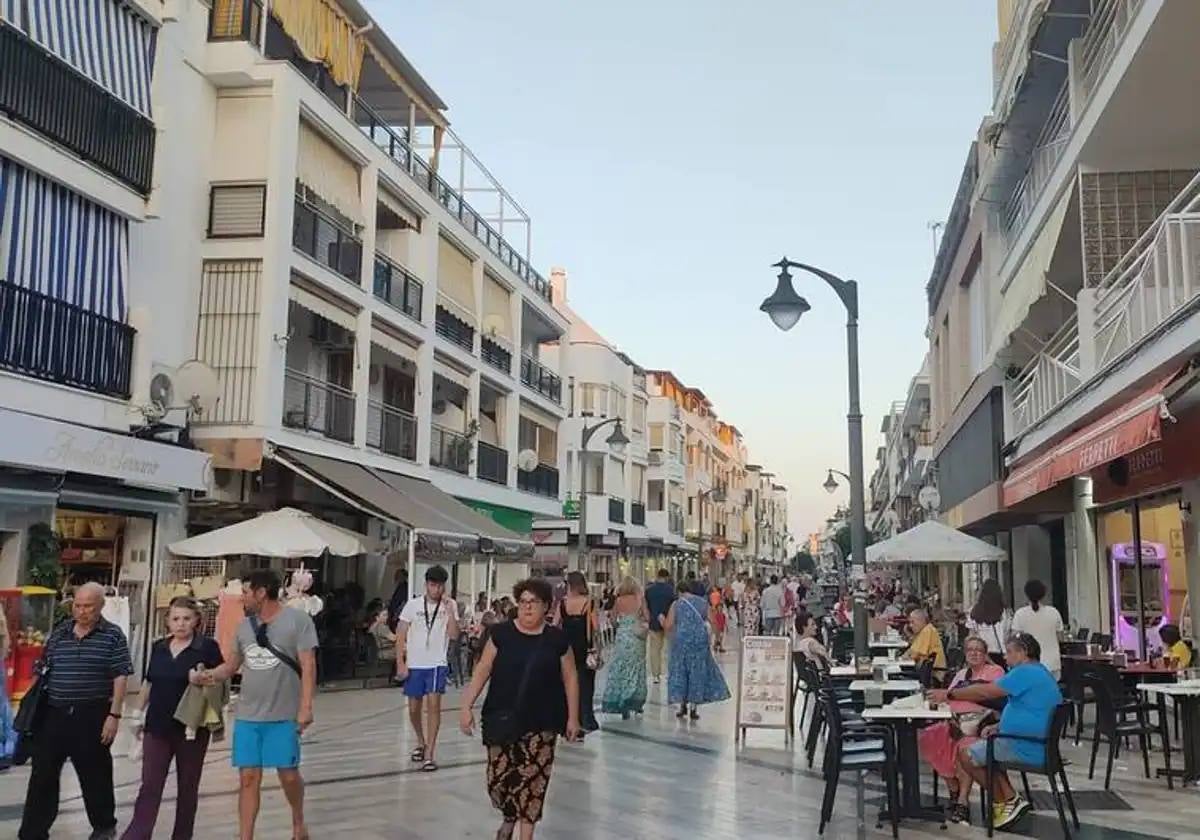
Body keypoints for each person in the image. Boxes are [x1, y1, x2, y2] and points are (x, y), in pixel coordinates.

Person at [191, 569, 317, 840]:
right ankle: (245, 835)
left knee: (288, 775)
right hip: (248, 715)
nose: (243, 599)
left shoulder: (298, 621)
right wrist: (210, 675)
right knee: (248, 777)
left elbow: (308, 665)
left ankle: (298, 819)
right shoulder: (243, 627)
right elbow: (232, 666)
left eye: (246, 593)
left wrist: (306, 706)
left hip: (284, 714)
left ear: (261, 593)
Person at [460, 578, 581, 840]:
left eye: (533, 603)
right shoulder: (501, 634)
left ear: (546, 607)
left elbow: (570, 676)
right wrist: (466, 705)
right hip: (501, 718)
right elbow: (483, 669)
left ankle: (525, 835)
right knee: (497, 780)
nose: (527, 608)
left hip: (543, 723)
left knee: (533, 785)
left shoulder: (557, 640)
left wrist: (573, 718)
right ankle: (508, 815)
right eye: (523, 602)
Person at [19, 582, 132, 840]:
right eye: (77, 605)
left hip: (92, 714)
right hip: (54, 713)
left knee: (95, 774)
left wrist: (113, 716)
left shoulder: (113, 635)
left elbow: (121, 676)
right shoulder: (59, 633)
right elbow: (43, 670)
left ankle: (103, 825)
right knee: (42, 775)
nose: (81, 611)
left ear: (101, 606)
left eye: (88, 606)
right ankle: (33, 832)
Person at [926, 632, 1060, 830]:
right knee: (982, 748)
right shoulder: (1039, 672)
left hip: (1026, 746)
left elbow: (986, 691)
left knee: (967, 755)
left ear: (1023, 653)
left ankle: (1006, 800)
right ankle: (1009, 800)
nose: (1005, 657)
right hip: (1033, 742)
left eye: (1009, 652)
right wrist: (998, 726)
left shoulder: (1024, 672)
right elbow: (1030, 708)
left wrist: (949, 694)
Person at [121, 596, 224, 839]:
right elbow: (149, 682)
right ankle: (137, 834)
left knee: (188, 788)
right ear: (167, 621)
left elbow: (222, 676)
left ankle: (182, 835)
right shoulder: (159, 647)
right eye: (176, 619)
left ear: (196, 620)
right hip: (157, 726)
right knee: (150, 786)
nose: (181, 624)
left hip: (191, 728)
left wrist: (203, 676)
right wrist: (136, 713)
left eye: (187, 619)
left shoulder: (206, 647)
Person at [917, 636, 1006, 824]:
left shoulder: (995, 672)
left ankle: (963, 801)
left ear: (985, 654)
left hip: (981, 727)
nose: (974, 653)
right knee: (929, 737)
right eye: (970, 650)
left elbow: (994, 698)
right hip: (954, 722)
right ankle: (953, 787)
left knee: (966, 746)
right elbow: (948, 698)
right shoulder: (961, 675)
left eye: (978, 650)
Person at [395, 565, 459, 771]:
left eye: (440, 586)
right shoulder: (412, 606)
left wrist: (450, 613)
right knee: (414, 708)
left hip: (436, 663)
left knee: (433, 706)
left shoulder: (450, 605)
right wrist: (401, 662)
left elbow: (455, 635)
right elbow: (401, 634)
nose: (436, 590)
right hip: (415, 663)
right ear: (426, 585)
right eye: (432, 585)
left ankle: (430, 752)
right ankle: (421, 741)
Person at [662, 581, 730, 720]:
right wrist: (717, 638)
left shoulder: (676, 604)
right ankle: (694, 708)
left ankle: (682, 706)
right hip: (699, 641)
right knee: (696, 672)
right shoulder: (703, 603)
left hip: (682, 642)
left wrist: (661, 619)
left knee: (682, 672)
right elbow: (714, 622)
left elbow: (668, 625)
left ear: (679, 591)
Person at [558, 571, 600, 732]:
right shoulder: (589, 603)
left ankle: (568, 718)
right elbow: (595, 627)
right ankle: (586, 718)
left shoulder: (563, 603)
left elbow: (556, 623)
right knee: (586, 684)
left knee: (567, 682)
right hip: (585, 647)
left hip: (566, 648)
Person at [601, 577, 648, 718]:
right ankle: (635, 702)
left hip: (622, 636)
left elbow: (613, 620)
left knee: (621, 668)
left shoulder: (619, 601)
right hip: (636, 637)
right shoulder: (640, 599)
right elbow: (647, 616)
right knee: (636, 668)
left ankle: (622, 702)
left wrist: (620, 625)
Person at [1010, 579, 1064, 679]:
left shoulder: (1020, 614)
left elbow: (1015, 639)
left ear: (1026, 594)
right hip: (1052, 663)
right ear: (1043, 594)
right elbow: (1060, 638)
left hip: (1028, 663)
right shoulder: (1054, 612)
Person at [967, 579, 1011, 663]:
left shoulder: (974, 612)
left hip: (981, 655)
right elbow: (1007, 636)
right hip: (1001, 654)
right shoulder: (1004, 612)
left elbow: (971, 637)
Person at [644, 569, 675, 685]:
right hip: (668, 623)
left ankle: (656, 675)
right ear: (666, 577)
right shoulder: (670, 590)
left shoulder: (649, 590)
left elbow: (646, 606)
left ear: (657, 576)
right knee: (668, 649)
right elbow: (674, 605)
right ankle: (668, 673)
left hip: (653, 623)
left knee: (654, 650)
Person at [904, 608, 947, 672]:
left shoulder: (927, 630)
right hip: (925, 671)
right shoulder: (923, 631)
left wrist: (901, 659)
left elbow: (916, 654)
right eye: (910, 622)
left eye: (913, 622)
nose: (910, 625)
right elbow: (911, 651)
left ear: (922, 621)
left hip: (932, 673)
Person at [708, 585, 727, 653]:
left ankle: (718, 646)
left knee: (720, 636)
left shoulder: (713, 594)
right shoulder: (716, 594)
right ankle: (716, 646)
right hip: (717, 626)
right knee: (717, 636)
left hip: (720, 627)